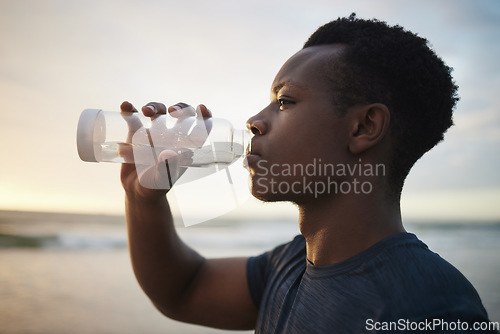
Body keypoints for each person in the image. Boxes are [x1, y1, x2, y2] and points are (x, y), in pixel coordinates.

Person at [120, 14, 497, 333]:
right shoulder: (292, 263)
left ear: (364, 127)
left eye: (284, 101)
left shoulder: (433, 308)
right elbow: (183, 290)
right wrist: (142, 197)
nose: (253, 122)